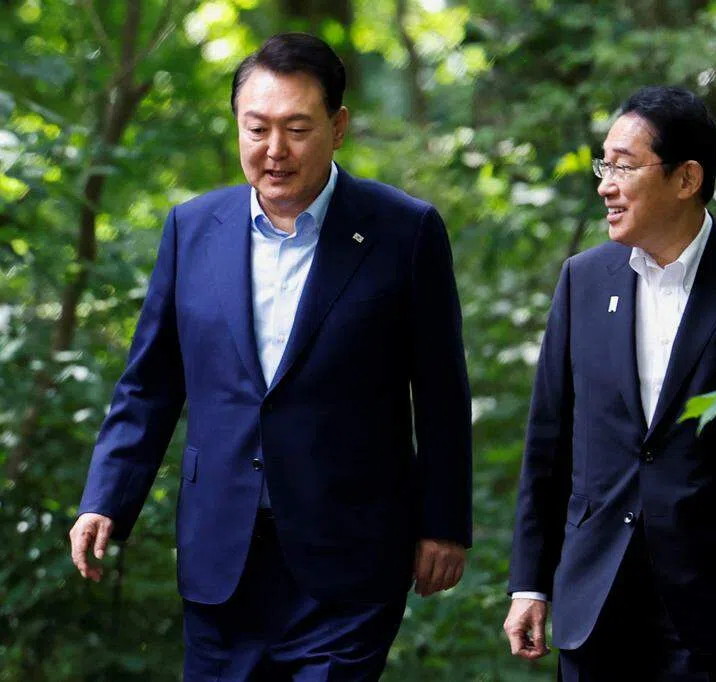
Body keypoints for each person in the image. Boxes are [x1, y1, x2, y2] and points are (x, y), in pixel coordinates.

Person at [69, 32, 472, 681]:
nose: (274, 150)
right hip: (220, 556)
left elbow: (441, 393)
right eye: (257, 129)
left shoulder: (404, 231)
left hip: (348, 559)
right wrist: (107, 498)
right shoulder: (192, 229)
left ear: (338, 127)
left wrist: (444, 524)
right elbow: (150, 383)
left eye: (297, 129)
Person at [503, 86, 716, 681]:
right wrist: (529, 582)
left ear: (687, 178)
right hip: (595, 593)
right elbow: (548, 443)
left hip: (712, 599)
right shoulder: (583, 279)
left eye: (624, 166)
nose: (606, 185)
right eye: (604, 166)